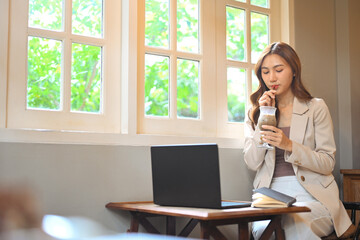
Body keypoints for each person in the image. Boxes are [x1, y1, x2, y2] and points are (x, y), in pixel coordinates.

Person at [243, 42, 354, 239]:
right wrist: (263, 117)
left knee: (296, 225)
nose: (272, 78)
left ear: (294, 70)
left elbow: (327, 163)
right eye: (266, 72)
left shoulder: (315, 108)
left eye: (279, 70)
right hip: (270, 198)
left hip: (313, 196)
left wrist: (289, 145)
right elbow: (252, 162)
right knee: (266, 230)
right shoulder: (255, 111)